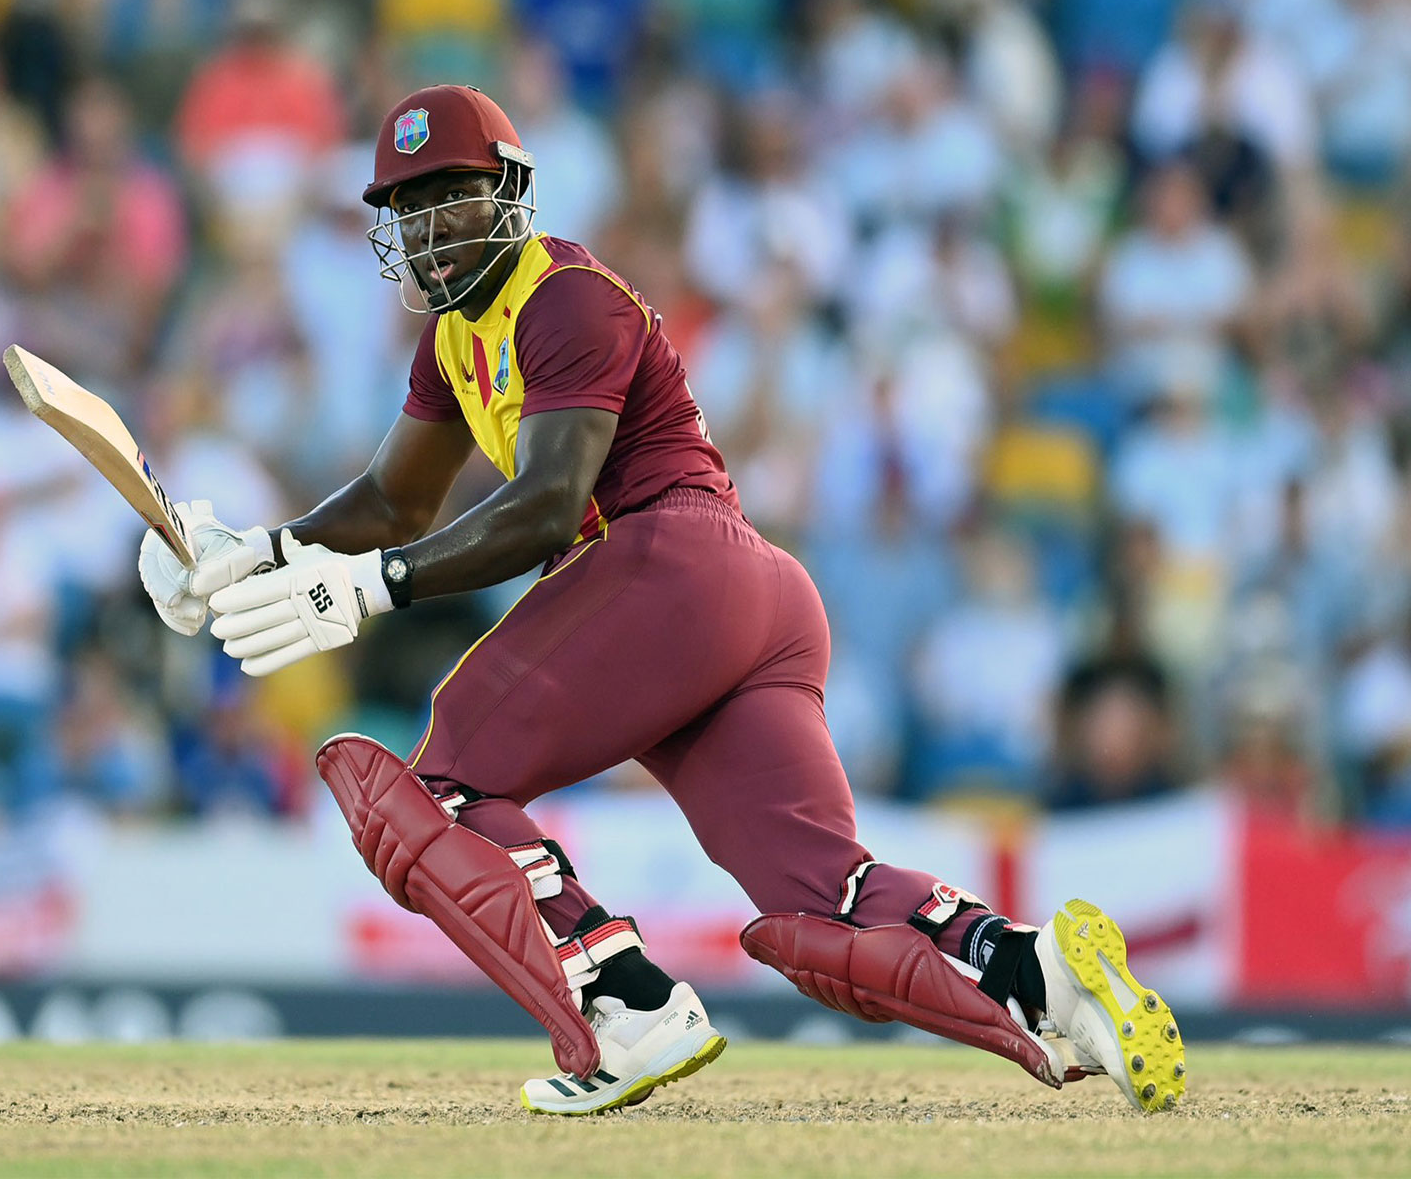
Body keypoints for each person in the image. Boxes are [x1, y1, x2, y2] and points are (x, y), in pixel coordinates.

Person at [138, 85, 1185, 1116]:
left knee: (441, 784)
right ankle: (1043, 973)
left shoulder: (564, 297)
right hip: (731, 597)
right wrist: (262, 549)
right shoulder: (451, 341)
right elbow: (394, 498)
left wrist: (374, 584)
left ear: (509, 192)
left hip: (669, 565)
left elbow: (548, 507)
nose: (427, 229)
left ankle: (628, 1007)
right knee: (820, 899)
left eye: (448, 197)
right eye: (406, 209)